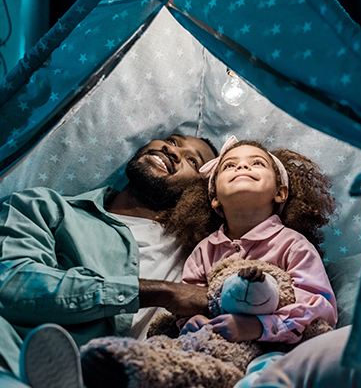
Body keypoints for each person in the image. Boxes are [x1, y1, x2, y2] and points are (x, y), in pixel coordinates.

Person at [0, 133, 218, 387]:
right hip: (14, 365)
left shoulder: (205, 256)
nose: (172, 151)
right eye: (171, 140)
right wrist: (164, 293)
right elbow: (10, 283)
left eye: (193, 161)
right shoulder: (44, 207)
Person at [178, 136, 338, 344]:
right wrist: (192, 321)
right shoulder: (204, 251)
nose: (242, 165)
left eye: (257, 163)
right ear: (214, 197)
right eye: (229, 165)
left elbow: (320, 308)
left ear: (280, 193)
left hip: (278, 353)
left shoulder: (293, 244)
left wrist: (260, 326)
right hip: (218, 350)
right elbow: (189, 299)